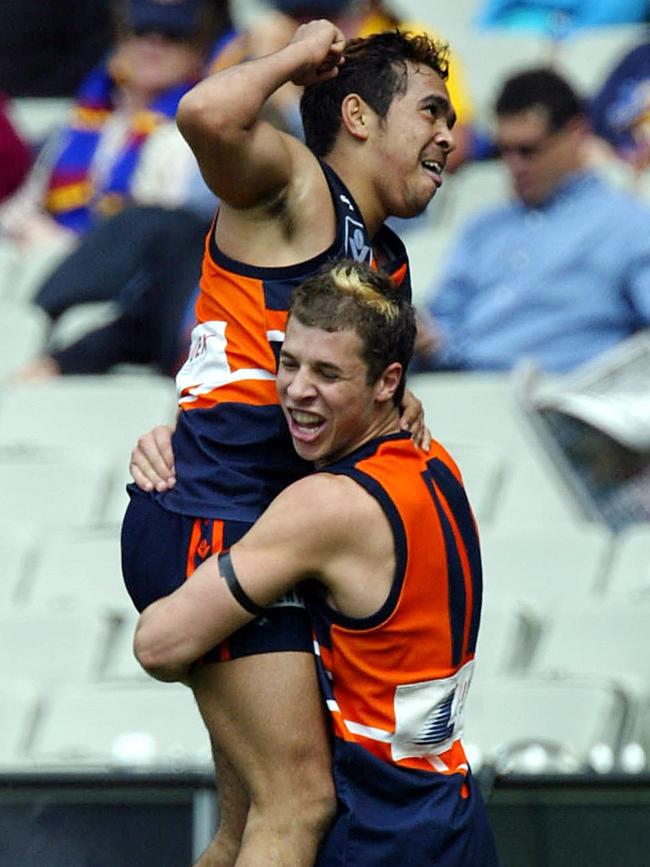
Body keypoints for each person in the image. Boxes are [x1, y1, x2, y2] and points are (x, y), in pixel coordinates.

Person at [122, 21, 456, 867]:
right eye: (430, 111)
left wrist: (401, 407)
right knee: (298, 802)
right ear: (358, 116)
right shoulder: (298, 185)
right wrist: (288, 62)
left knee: (244, 829)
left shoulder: (385, 262)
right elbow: (203, 114)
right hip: (215, 521)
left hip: (254, 531)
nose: (449, 135)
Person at [133, 259, 500, 866]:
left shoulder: (327, 508)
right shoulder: (437, 463)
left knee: (266, 819)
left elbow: (159, 645)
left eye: (327, 373)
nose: (298, 389)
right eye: (289, 362)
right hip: (451, 816)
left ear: (388, 383)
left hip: (377, 833)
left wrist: (170, 497)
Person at [415, 67, 650, 375]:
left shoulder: (630, 225)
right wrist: (429, 339)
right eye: (505, 152)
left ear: (577, 134)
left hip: (558, 405)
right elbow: (442, 319)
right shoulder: (483, 228)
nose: (514, 166)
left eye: (528, 151)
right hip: (458, 391)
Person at [0, 0, 225, 251]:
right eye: (140, 31)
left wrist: (64, 246)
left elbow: (160, 236)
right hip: (44, 257)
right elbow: (21, 206)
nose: (153, 43)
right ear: (120, 41)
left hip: (123, 275)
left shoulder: (194, 135)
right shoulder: (82, 120)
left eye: (173, 35)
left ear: (199, 52)